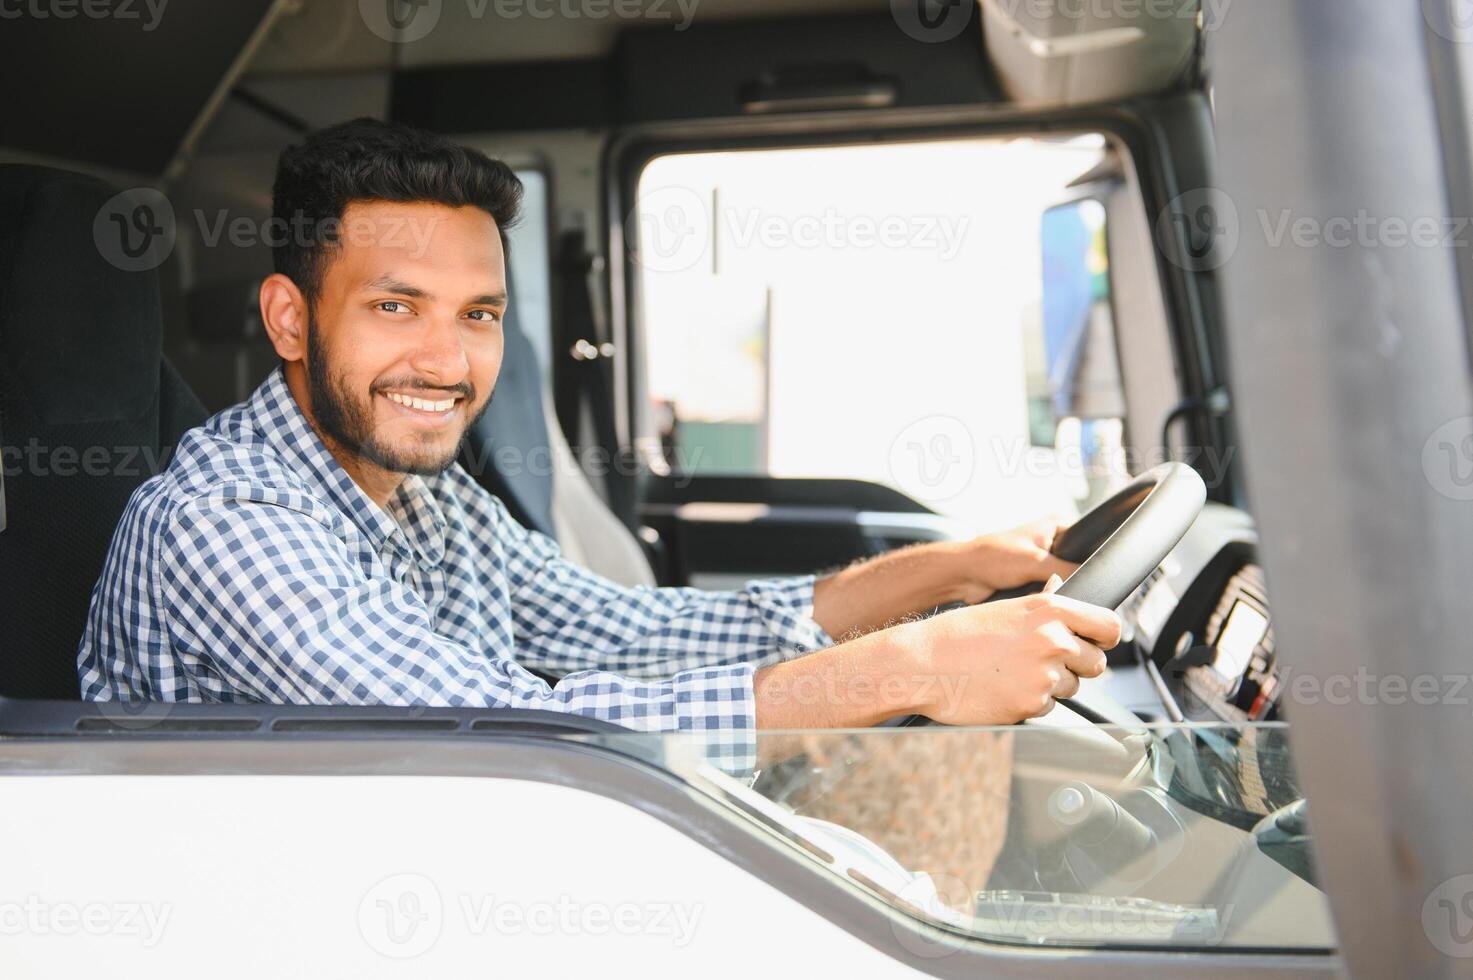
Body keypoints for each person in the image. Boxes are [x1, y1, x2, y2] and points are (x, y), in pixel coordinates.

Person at [77, 119, 1121, 767]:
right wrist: (909, 669)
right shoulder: (223, 521)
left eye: (480, 314)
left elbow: (633, 630)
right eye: (397, 307)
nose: (447, 361)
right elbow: (496, 726)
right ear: (292, 318)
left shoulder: (425, 494)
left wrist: (954, 569)